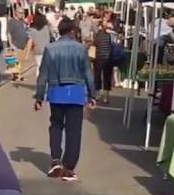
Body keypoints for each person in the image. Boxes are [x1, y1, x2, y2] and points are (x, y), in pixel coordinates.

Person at [34, 18, 95, 182]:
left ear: (59, 31)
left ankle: (55, 160)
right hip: (76, 93)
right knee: (74, 130)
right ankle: (69, 168)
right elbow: (88, 73)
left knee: (56, 125)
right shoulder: (81, 48)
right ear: (73, 31)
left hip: (56, 92)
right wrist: (92, 94)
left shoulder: (50, 49)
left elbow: (43, 75)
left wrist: (39, 96)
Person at [91, 21, 116, 105]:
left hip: (98, 58)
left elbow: (94, 45)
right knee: (107, 77)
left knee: (97, 76)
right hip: (108, 58)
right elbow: (114, 45)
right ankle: (106, 97)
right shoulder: (110, 35)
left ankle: (97, 95)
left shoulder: (96, 35)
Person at [27, 12, 54, 77]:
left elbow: (30, 41)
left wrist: (27, 54)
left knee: (39, 66)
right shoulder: (47, 27)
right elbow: (52, 34)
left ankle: (39, 83)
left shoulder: (31, 30)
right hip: (47, 50)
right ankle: (47, 83)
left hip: (38, 50)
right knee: (48, 67)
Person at [8, 8, 29, 83]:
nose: (21, 14)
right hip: (15, 44)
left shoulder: (23, 21)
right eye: (20, 13)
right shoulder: (12, 21)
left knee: (19, 62)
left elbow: (27, 30)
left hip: (23, 45)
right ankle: (16, 76)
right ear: (16, 13)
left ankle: (17, 76)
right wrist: (10, 43)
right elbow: (9, 33)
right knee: (15, 61)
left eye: (22, 13)